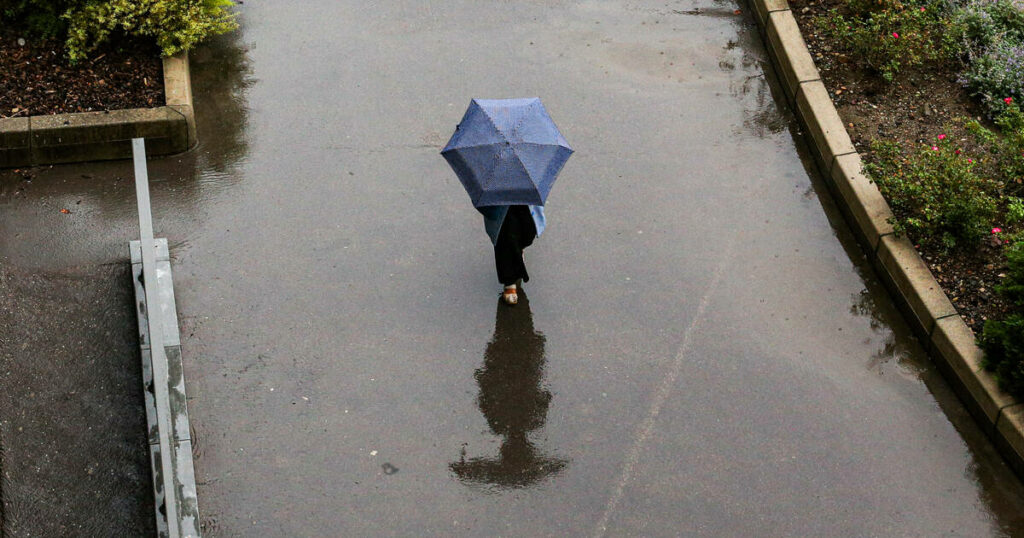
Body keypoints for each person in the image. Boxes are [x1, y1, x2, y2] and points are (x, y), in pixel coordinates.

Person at [477, 204, 546, 305]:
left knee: (528, 229)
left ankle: (518, 247)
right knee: (504, 234)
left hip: (525, 197)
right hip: (499, 199)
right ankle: (509, 281)